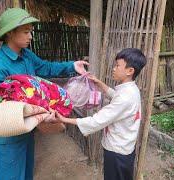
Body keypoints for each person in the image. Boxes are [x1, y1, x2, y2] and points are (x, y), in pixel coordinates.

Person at [0, 8, 88, 180]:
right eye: (25, 32)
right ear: (9, 34)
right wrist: (39, 112)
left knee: (27, 174)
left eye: (30, 31)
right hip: (9, 136)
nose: (30, 36)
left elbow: (46, 67)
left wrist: (72, 66)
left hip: (27, 129)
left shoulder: (26, 56)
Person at [55, 48, 147, 180]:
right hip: (125, 149)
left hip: (117, 153)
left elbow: (96, 121)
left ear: (130, 71)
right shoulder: (131, 90)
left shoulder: (125, 98)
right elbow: (116, 96)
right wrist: (99, 84)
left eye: (117, 66)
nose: (114, 69)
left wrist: (65, 119)